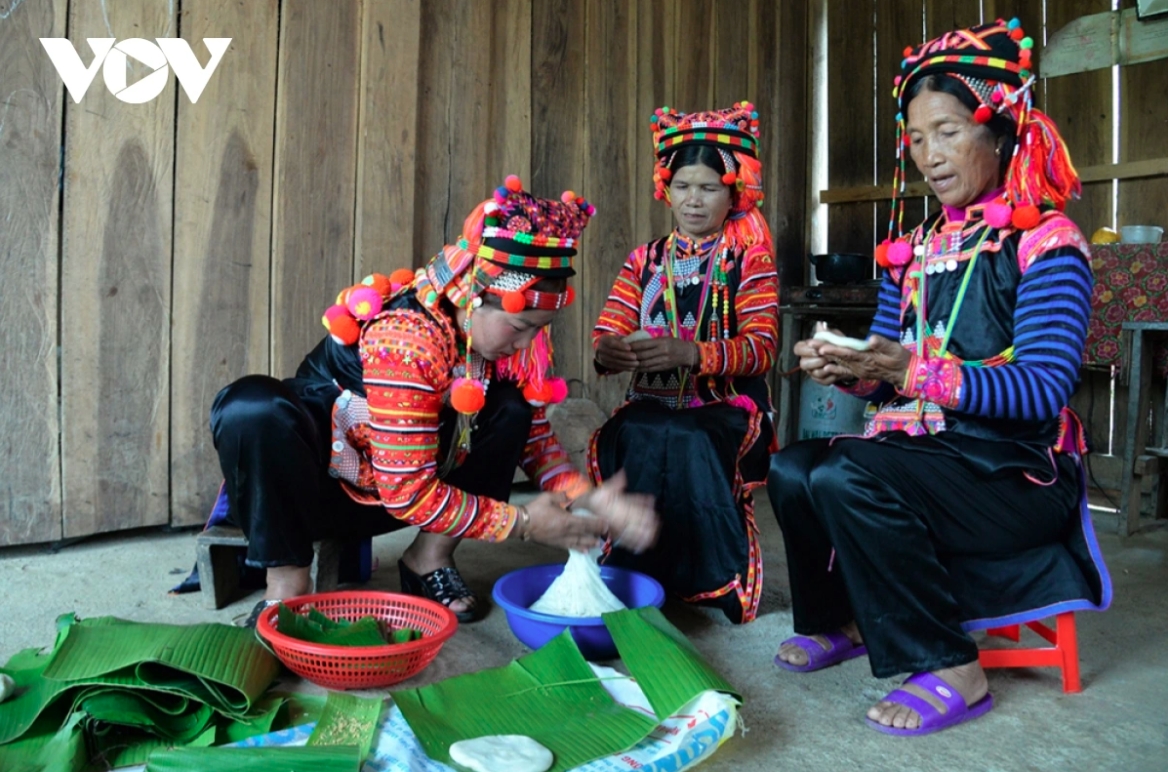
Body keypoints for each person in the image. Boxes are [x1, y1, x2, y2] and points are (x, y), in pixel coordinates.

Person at [767, 19, 1110, 735]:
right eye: (918, 139)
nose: (930, 156)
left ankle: (952, 663)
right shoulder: (915, 246)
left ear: (1000, 129)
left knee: (846, 475)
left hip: (1015, 473)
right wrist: (855, 370)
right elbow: (895, 378)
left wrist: (909, 368)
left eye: (948, 131)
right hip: (929, 455)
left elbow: (1042, 390)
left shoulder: (1048, 242)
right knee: (797, 467)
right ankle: (848, 619)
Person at [211, 176, 658, 627]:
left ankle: (429, 559)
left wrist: (587, 498)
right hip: (316, 493)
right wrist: (522, 521)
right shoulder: (408, 339)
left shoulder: (490, 345)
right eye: (519, 327)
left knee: (511, 407)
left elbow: (534, 439)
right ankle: (286, 585)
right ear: (471, 297)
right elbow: (406, 493)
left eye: (537, 330)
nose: (526, 344)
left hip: (404, 490)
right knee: (254, 407)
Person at [590, 103, 779, 625]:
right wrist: (609, 351)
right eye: (683, 186)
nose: (693, 200)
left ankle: (714, 582)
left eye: (709, 188)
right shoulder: (645, 259)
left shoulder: (750, 258)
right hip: (651, 399)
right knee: (636, 433)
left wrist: (693, 354)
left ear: (734, 192)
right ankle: (632, 571)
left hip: (726, 405)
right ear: (665, 189)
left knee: (690, 438)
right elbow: (608, 330)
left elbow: (763, 347)